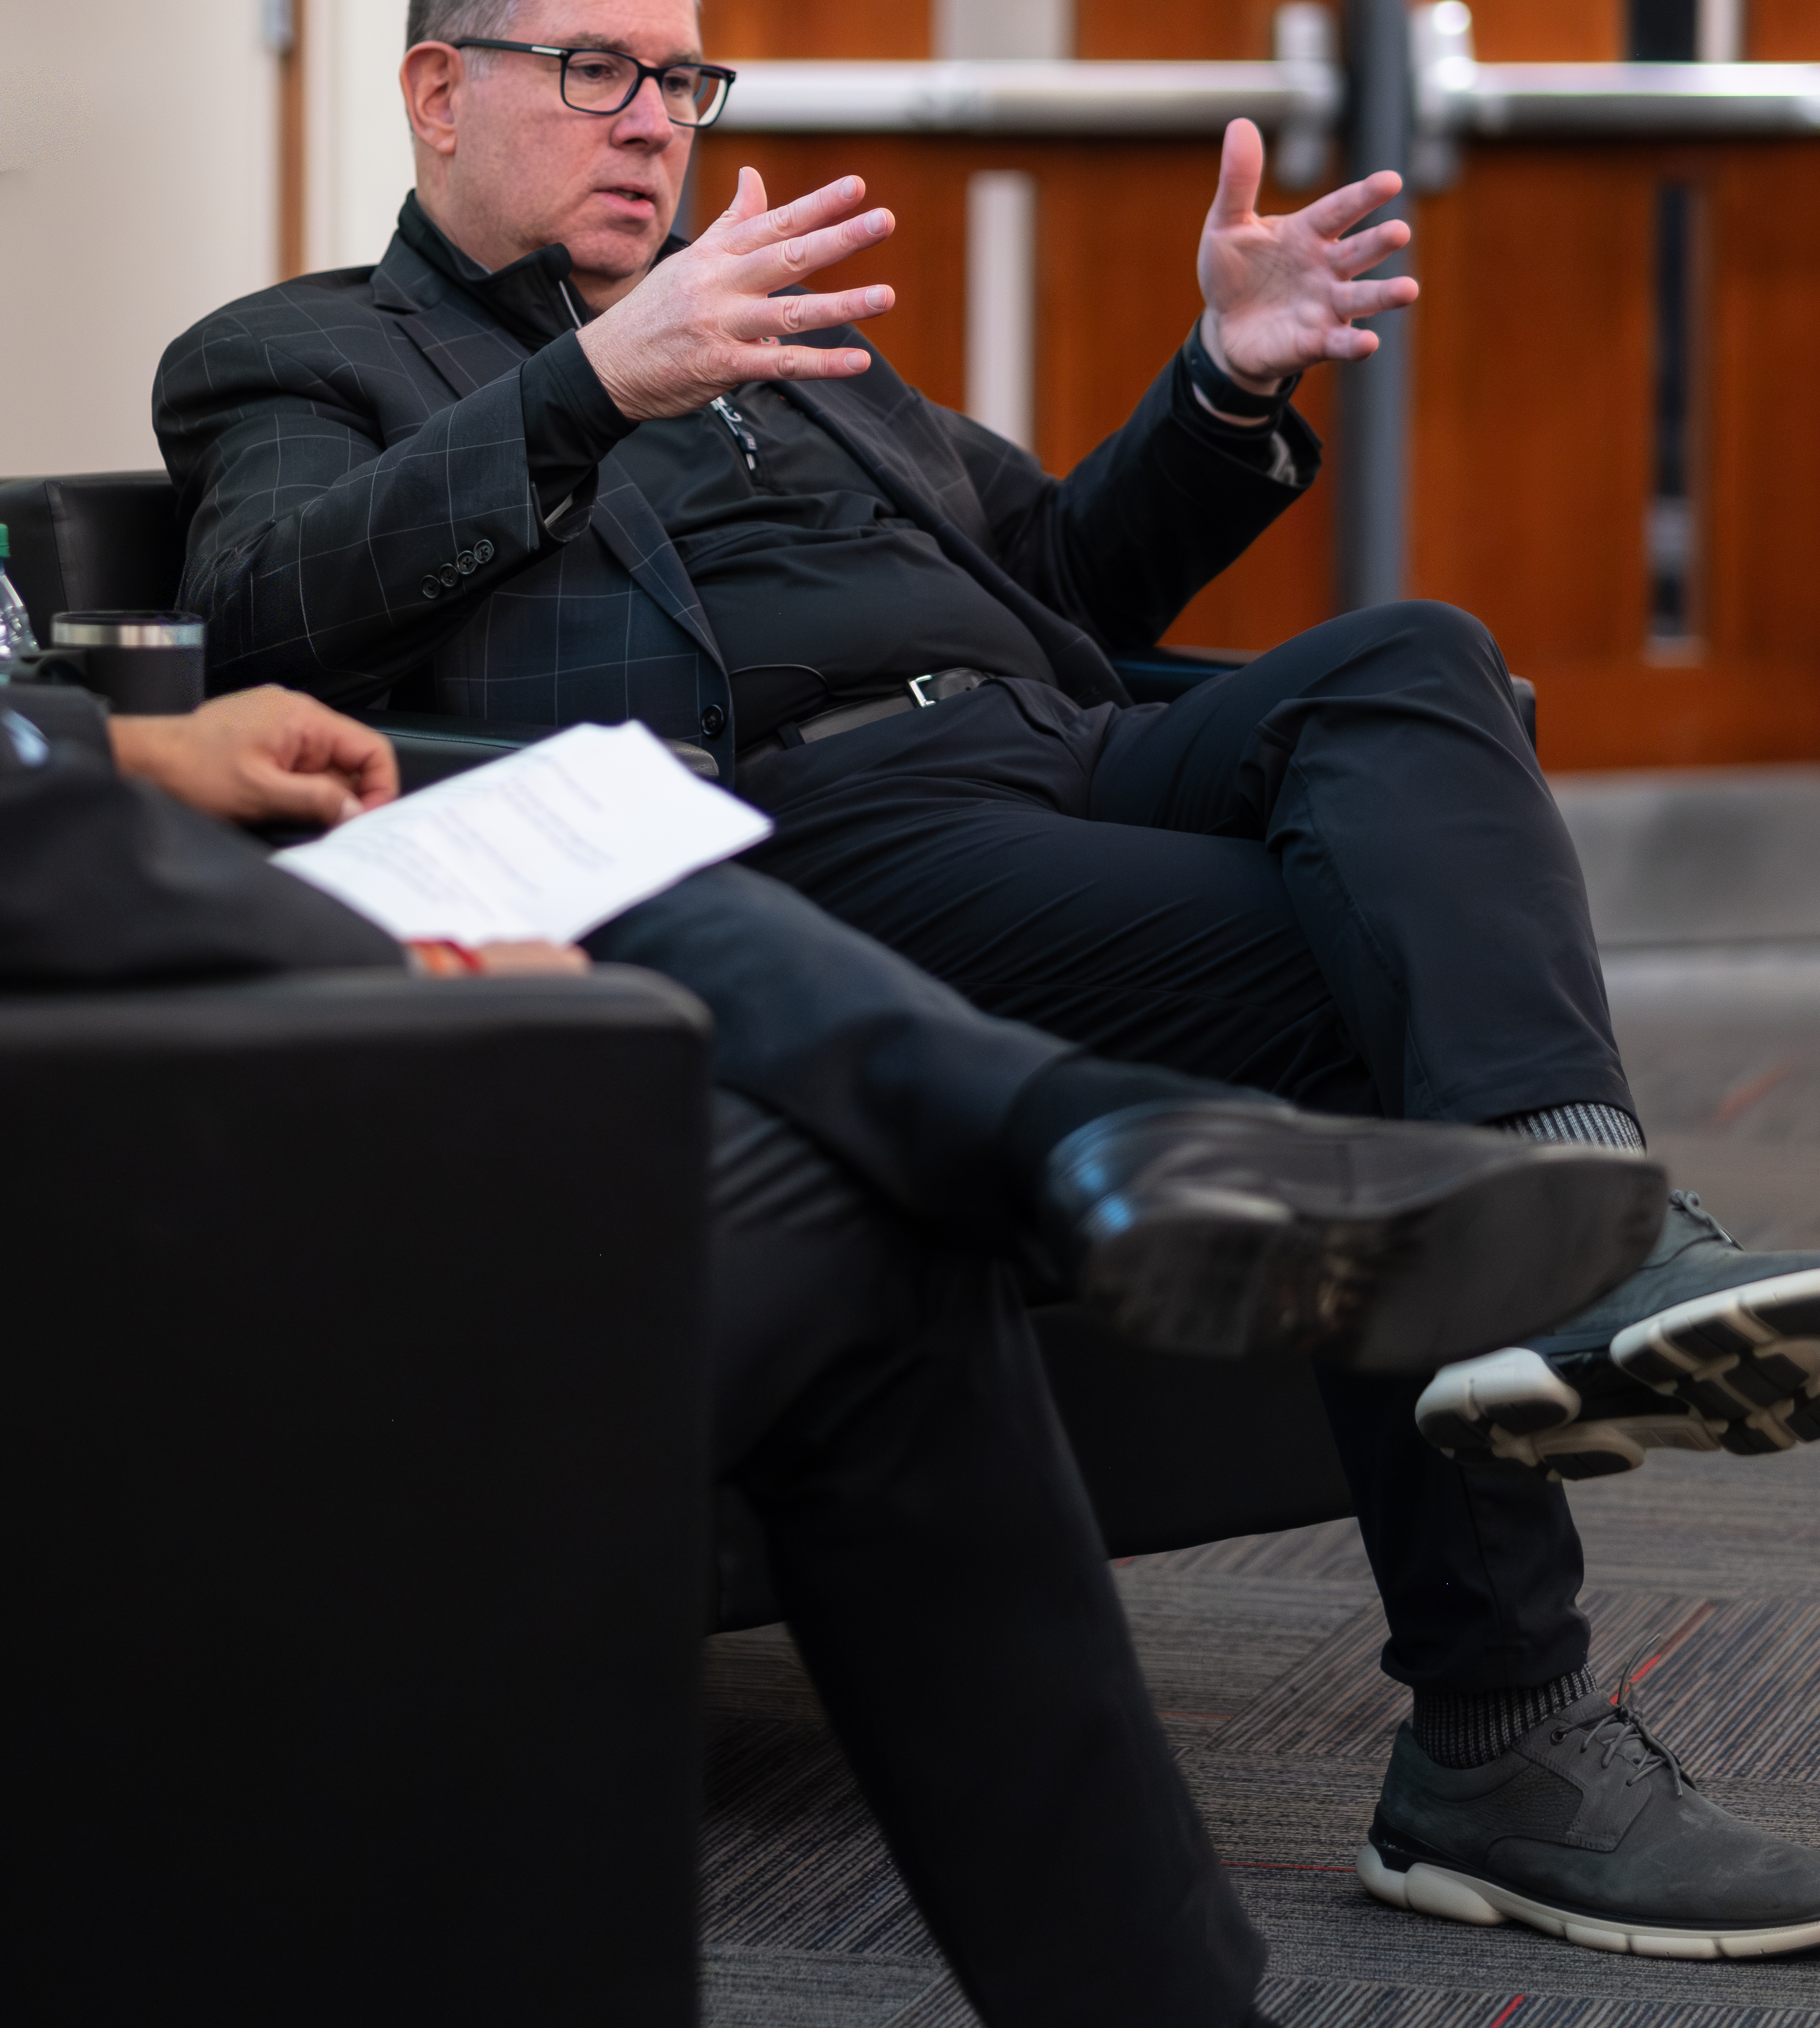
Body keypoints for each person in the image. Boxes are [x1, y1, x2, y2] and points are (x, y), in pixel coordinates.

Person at [155, 0, 1820, 1961]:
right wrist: (592, 387)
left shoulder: (793, 346)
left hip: (1048, 765)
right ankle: (1507, 1731)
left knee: (1415, 656)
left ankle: (1577, 1211)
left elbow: (1058, 586)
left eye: (680, 77)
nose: (650, 123)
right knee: (1366, 987)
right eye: (592, 70)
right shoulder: (302, 354)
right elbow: (261, 616)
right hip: (789, 848)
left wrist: (1224, 389)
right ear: (440, 91)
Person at [0, 677, 1680, 2023]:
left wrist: (123, 736)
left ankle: (1099, 1152)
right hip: (109, 1164)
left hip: (146, 979)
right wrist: (379, 950)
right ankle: (1096, 1153)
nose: (645, 220)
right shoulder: (328, 361)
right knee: (837, 1166)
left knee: (864, 1206)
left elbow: (1057, 560)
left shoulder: (839, 387)